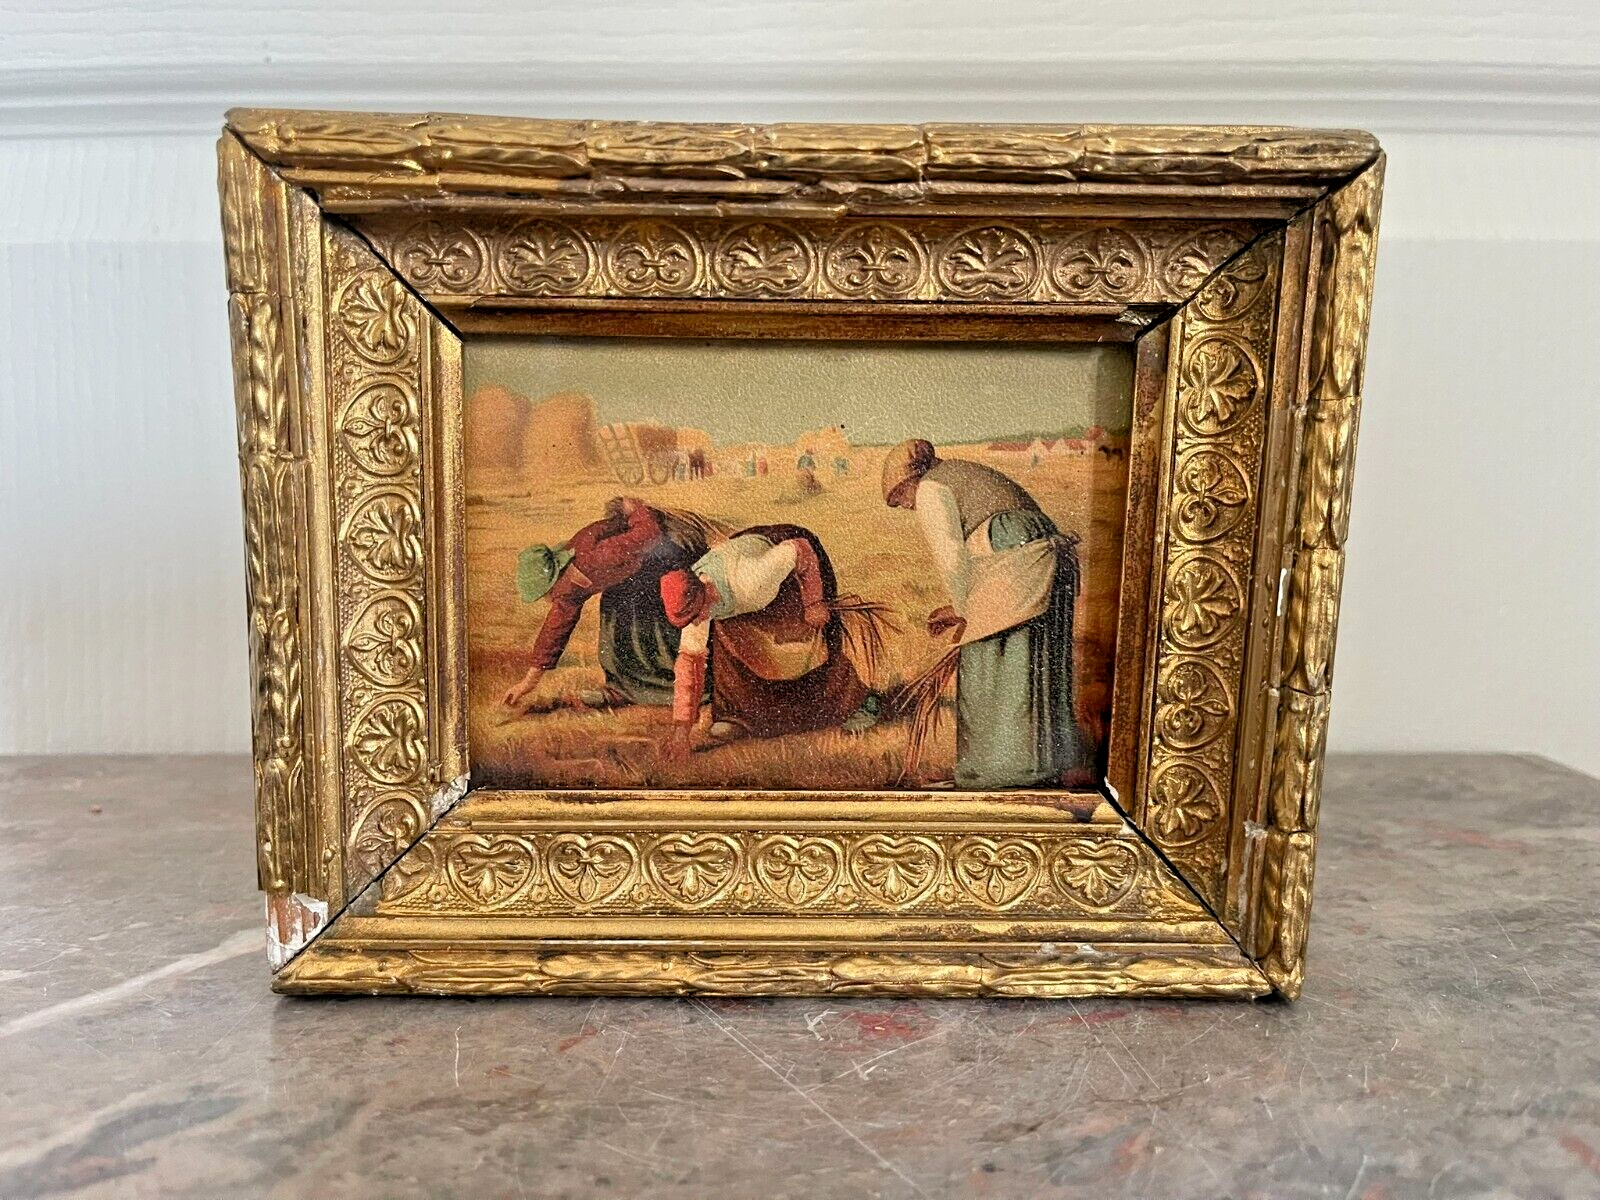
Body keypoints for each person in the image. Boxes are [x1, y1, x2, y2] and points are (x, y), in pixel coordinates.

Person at [882, 438, 1091, 789]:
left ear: (910, 481)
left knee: (994, 666)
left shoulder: (932, 488)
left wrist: (965, 613)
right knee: (1035, 663)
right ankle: (1045, 765)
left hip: (1013, 562)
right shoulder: (961, 473)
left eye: (900, 497)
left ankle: (1001, 774)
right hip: (1036, 560)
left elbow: (951, 557)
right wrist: (962, 607)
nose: (905, 507)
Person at [658, 525, 878, 758]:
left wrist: (813, 602)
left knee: (804, 643)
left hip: (795, 564)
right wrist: (681, 733)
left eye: (695, 616)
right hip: (745, 572)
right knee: (730, 641)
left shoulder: (751, 580)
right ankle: (736, 716)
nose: (695, 623)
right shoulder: (695, 601)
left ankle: (858, 702)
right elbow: (690, 662)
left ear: (704, 593)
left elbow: (800, 548)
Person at [502, 497, 714, 712]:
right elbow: (555, 628)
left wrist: (636, 510)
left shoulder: (596, 556)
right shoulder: (568, 589)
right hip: (632, 575)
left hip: (666, 556)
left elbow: (649, 534)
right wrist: (528, 683)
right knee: (614, 617)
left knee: (654, 615)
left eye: (548, 592)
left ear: (558, 575)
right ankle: (624, 689)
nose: (549, 599)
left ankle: (682, 688)